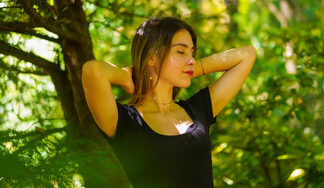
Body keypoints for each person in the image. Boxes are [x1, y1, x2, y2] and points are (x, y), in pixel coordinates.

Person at [81, 17, 256, 188]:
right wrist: (128, 76)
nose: (191, 60)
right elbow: (92, 70)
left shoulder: (198, 110)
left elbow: (247, 54)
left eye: (192, 53)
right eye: (181, 52)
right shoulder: (125, 121)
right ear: (152, 58)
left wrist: (190, 69)